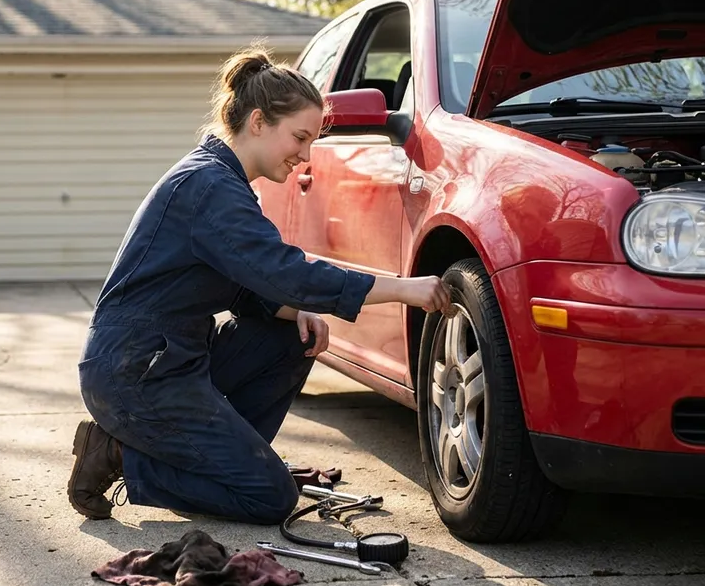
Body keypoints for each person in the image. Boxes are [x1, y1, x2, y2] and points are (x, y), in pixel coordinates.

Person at [67, 44, 450, 525]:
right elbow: (287, 272)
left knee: (291, 334)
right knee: (270, 498)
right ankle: (121, 455)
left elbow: (253, 287)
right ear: (257, 122)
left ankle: (227, 463)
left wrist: (295, 309)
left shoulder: (223, 183)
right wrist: (404, 288)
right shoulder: (209, 187)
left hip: (170, 359)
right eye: (300, 137)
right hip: (134, 375)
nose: (306, 156)